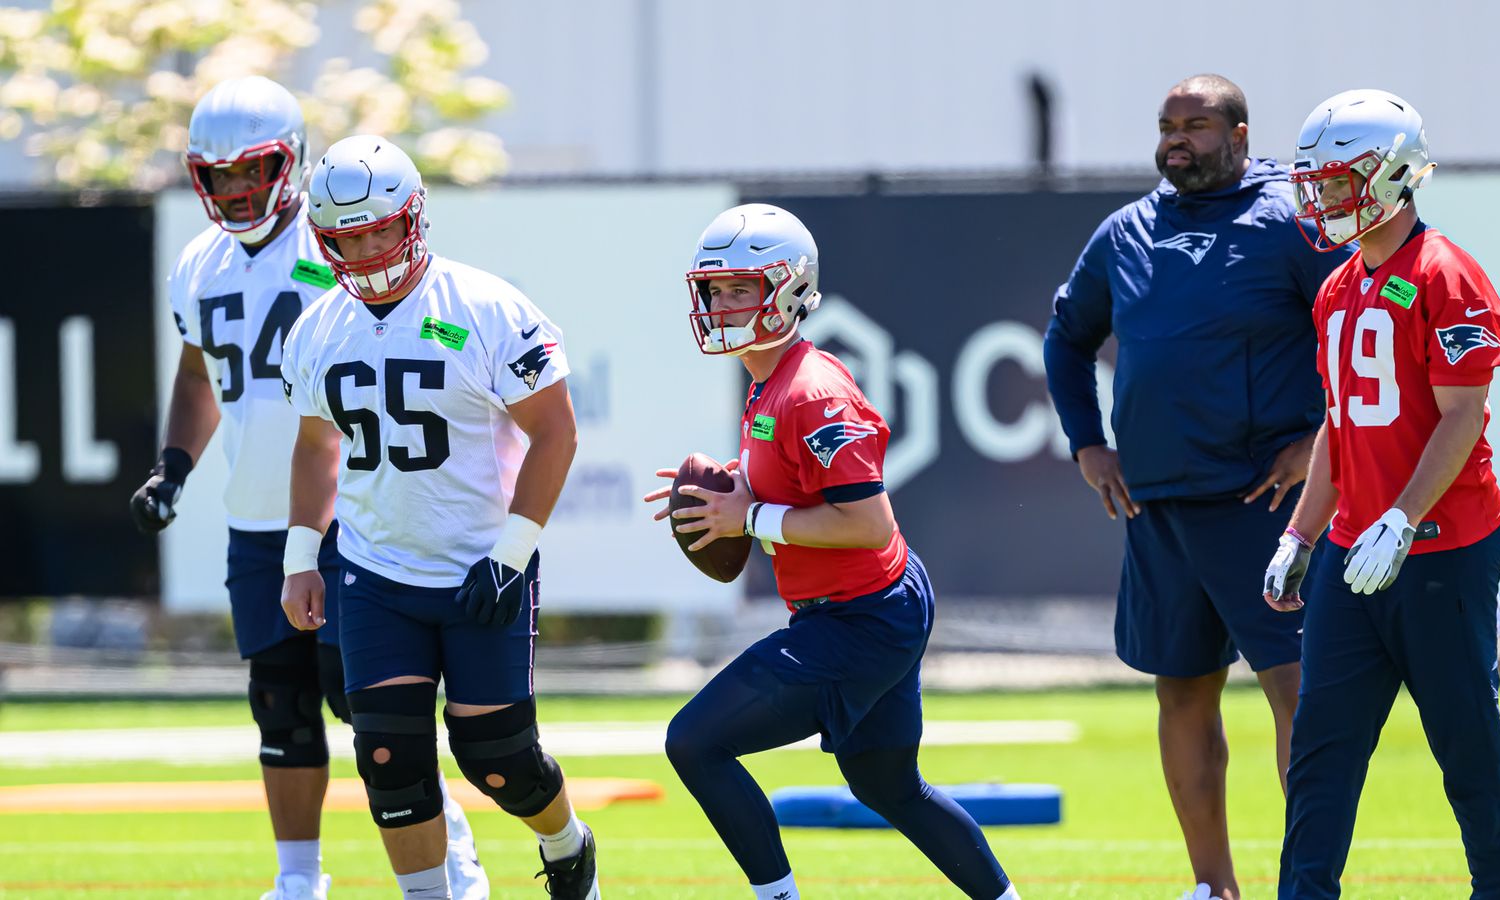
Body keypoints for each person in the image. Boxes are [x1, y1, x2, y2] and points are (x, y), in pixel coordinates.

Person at [129, 77, 486, 900]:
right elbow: (198, 374)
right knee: (279, 706)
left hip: (343, 514)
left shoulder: (334, 248)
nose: (236, 191)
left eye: (251, 170)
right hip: (254, 517)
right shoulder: (198, 263)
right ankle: (297, 881)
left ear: (290, 161)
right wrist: (173, 466)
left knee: (361, 703)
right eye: (218, 176)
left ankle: (449, 846)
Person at [646, 203, 1020, 900]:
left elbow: (867, 523)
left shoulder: (812, 392)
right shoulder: (770, 376)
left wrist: (748, 516)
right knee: (888, 786)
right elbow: (799, 482)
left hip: (860, 615)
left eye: (741, 289)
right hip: (868, 604)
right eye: (715, 290)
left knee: (694, 741)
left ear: (788, 290)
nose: (722, 305)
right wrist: (737, 483)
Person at [1042, 73, 1352, 900]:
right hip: (1158, 511)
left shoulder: (1294, 221)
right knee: (1181, 693)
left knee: (1297, 693)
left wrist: (1322, 439)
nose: (1177, 138)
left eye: (1198, 125)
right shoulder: (1126, 232)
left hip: (1265, 509)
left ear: (1242, 135)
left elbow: (1363, 330)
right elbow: (1067, 340)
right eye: (1167, 125)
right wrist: (1086, 443)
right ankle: (1213, 887)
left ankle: (1308, 886)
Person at [278, 134, 598, 900]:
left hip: (480, 564)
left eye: (379, 229)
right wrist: (299, 556)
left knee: (497, 756)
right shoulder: (319, 327)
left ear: (413, 218)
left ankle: (567, 842)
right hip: (376, 571)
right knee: (389, 759)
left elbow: (556, 431)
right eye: (346, 237)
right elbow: (316, 446)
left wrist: (514, 550)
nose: (365, 249)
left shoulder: (485, 308)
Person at [1264, 88, 1500, 899]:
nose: (1322, 200)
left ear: (1393, 176)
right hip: (1351, 551)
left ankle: (1497, 891)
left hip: (1443, 548)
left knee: (1464, 741)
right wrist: (1301, 536)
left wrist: (1403, 520)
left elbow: (1462, 415)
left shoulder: (1445, 274)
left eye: (1337, 182)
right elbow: (1339, 426)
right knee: (1321, 752)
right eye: (1317, 184)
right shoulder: (1337, 288)